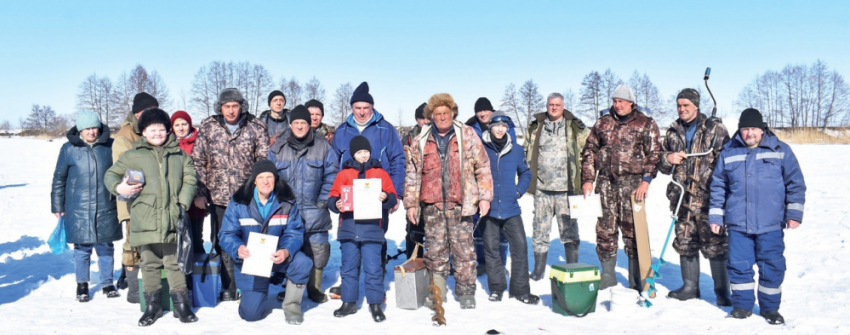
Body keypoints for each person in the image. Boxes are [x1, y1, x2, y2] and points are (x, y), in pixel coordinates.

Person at [709, 108, 806, 324]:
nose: (749, 133)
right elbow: (718, 186)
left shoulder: (781, 150)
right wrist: (716, 217)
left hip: (770, 223)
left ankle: (770, 308)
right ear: (740, 131)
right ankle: (742, 306)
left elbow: (795, 183)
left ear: (762, 130)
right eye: (745, 129)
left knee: (772, 266)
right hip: (738, 224)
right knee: (738, 266)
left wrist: (794, 213)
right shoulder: (729, 152)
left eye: (753, 128)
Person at [105, 108, 198, 326]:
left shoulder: (178, 154)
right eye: (152, 129)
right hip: (144, 217)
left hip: (172, 217)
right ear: (144, 132)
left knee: (174, 263)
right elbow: (110, 175)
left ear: (167, 131)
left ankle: (181, 305)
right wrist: (120, 187)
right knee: (149, 263)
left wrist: (182, 202)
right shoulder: (132, 155)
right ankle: (152, 306)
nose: (157, 133)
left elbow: (190, 177)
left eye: (161, 129)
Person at [404, 93, 493, 309]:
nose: (442, 117)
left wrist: (485, 197)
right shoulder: (421, 140)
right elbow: (413, 173)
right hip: (432, 206)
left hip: (461, 205)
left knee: (464, 252)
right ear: (431, 116)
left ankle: (466, 292)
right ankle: (438, 291)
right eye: (438, 114)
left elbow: (482, 166)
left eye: (446, 112)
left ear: (452, 113)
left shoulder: (468, 135)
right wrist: (411, 204)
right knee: (435, 252)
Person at [192, 88, 270, 301]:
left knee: (250, 240)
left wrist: (260, 191)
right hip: (217, 196)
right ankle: (228, 285)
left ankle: (250, 284)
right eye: (227, 106)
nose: (231, 110)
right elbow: (198, 161)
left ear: (241, 106)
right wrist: (200, 193)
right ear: (220, 107)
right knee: (221, 241)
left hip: (248, 198)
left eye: (235, 106)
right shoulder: (208, 127)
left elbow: (263, 162)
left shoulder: (255, 126)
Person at [328, 82, 405, 299]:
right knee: (349, 239)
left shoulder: (385, 129)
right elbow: (333, 163)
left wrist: (395, 193)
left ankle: (376, 286)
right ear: (352, 108)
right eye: (357, 108)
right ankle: (348, 284)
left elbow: (398, 159)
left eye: (366, 108)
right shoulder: (342, 131)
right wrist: (335, 196)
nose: (361, 112)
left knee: (376, 239)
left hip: (376, 196)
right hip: (350, 198)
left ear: (372, 108)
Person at [581, 84, 661, 291]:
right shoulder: (603, 123)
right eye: (615, 101)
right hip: (606, 183)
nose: (617, 105)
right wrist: (588, 179)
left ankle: (637, 278)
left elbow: (654, 154)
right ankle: (608, 275)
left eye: (621, 102)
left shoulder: (645, 123)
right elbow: (590, 150)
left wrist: (646, 180)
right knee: (605, 230)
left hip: (633, 185)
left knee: (633, 231)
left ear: (631, 103)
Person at [657, 89, 731, 305]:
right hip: (682, 200)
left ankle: (722, 292)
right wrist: (668, 158)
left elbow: (728, 162)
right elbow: (660, 163)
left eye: (686, 105)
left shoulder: (715, 129)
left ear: (696, 106)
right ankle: (690, 287)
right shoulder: (672, 131)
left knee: (715, 245)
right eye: (679, 105)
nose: (682, 109)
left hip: (709, 200)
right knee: (685, 241)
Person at [218, 159, 312, 324]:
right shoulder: (239, 202)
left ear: (275, 179)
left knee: (303, 262)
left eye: (270, 177)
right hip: (251, 262)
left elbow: (295, 231)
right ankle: (249, 295)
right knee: (251, 315)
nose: (266, 181)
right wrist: (238, 248)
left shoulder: (287, 202)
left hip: (276, 256)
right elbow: (226, 233)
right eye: (261, 177)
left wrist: (286, 251)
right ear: (254, 180)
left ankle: (292, 305)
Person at [267, 105, 339, 304]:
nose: (300, 126)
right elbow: (269, 177)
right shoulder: (277, 147)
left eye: (304, 123)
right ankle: (292, 289)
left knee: (318, 249)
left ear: (310, 124)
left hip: (315, 208)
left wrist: (322, 201)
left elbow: (331, 174)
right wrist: (279, 202)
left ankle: (314, 288)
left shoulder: (323, 146)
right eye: (296, 123)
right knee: (291, 249)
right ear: (291, 124)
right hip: (287, 210)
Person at [51, 110, 121, 302]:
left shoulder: (110, 146)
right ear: (80, 130)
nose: (91, 132)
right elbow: (59, 179)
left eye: (94, 128)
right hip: (78, 206)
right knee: (82, 248)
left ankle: (108, 283)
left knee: (106, 246)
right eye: (87, 128)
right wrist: (57, 205)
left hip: (105, 204)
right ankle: (82, 284)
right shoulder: (68, 149)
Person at [328, 136, 397, 322]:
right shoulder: (344, 174)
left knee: (374, 268)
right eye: (359, 152)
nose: (363, 155)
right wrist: (337, 203)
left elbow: (393, 196)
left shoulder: (380, 173)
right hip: (349, 228)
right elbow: (333, 196)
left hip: (372, 229)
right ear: (353, 154)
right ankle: (348, 302)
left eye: (366, 151)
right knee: (349, 268)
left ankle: (375, 304)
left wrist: (386, 197)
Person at [524, 93, 589, 281]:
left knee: (569, 231)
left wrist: (586, 179)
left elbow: (588, 152)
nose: (553, 108)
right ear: (547, 105)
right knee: (539, 230)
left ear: (563, 106)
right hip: (542, 190)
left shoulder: (575, 127)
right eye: (551, 104)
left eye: (557, 105)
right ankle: (538, 269)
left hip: (566, 191)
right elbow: (526, 150)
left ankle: (572, 267)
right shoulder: (536, 127)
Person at [479, 111, 538, 304]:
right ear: (490, 127)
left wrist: (518, 192)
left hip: (511, 208)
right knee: (491, 249)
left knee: (520, 246)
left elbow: (526, 174)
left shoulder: (517, 150)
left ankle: (520, 290)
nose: (500, 129)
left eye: (503, 126)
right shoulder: (480, 148)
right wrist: (481, 198)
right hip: (489, 208)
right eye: (496, 125)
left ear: (507, 128)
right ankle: (496, 288)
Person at [112, 92, 158, 303]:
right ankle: (133, 290)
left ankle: (151, 285)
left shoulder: (153, 130)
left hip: (153, 199)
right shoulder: (125, 136)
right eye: (146, 111)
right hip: (132, 200)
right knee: (132, 243)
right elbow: (127, 169)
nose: (151, 114)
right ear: (137, 113)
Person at [465, 97, 511, 276]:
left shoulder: (505, 126)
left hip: (500, 184)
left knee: (501, 228)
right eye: (479, 111)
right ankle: (482, 262)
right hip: (477, 185)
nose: (482, 114)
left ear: (491, 111)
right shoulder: (470, 129)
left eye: (485, 110)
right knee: (479, 227)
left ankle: (500, 263)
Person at [171, 111, 207, 255]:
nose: (181, 128)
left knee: (196, 237)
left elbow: (204, 169)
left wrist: (200, 194)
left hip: (195, 200)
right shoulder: (168, 144)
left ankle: (199, 274)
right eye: (177, 125)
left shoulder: (199, 142)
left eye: (184, 124)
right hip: (175, 199)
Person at [400, 103, 429, 260]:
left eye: (427, 118)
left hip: (433, 192)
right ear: (417, 119)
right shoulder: (408, 139)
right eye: (421, 118)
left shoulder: (438, 136)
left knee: (435, 230)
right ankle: (413, 260)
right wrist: (406, 194)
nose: (425, 121)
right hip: (414, 192)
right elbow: (402, 167)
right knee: (413, 228)